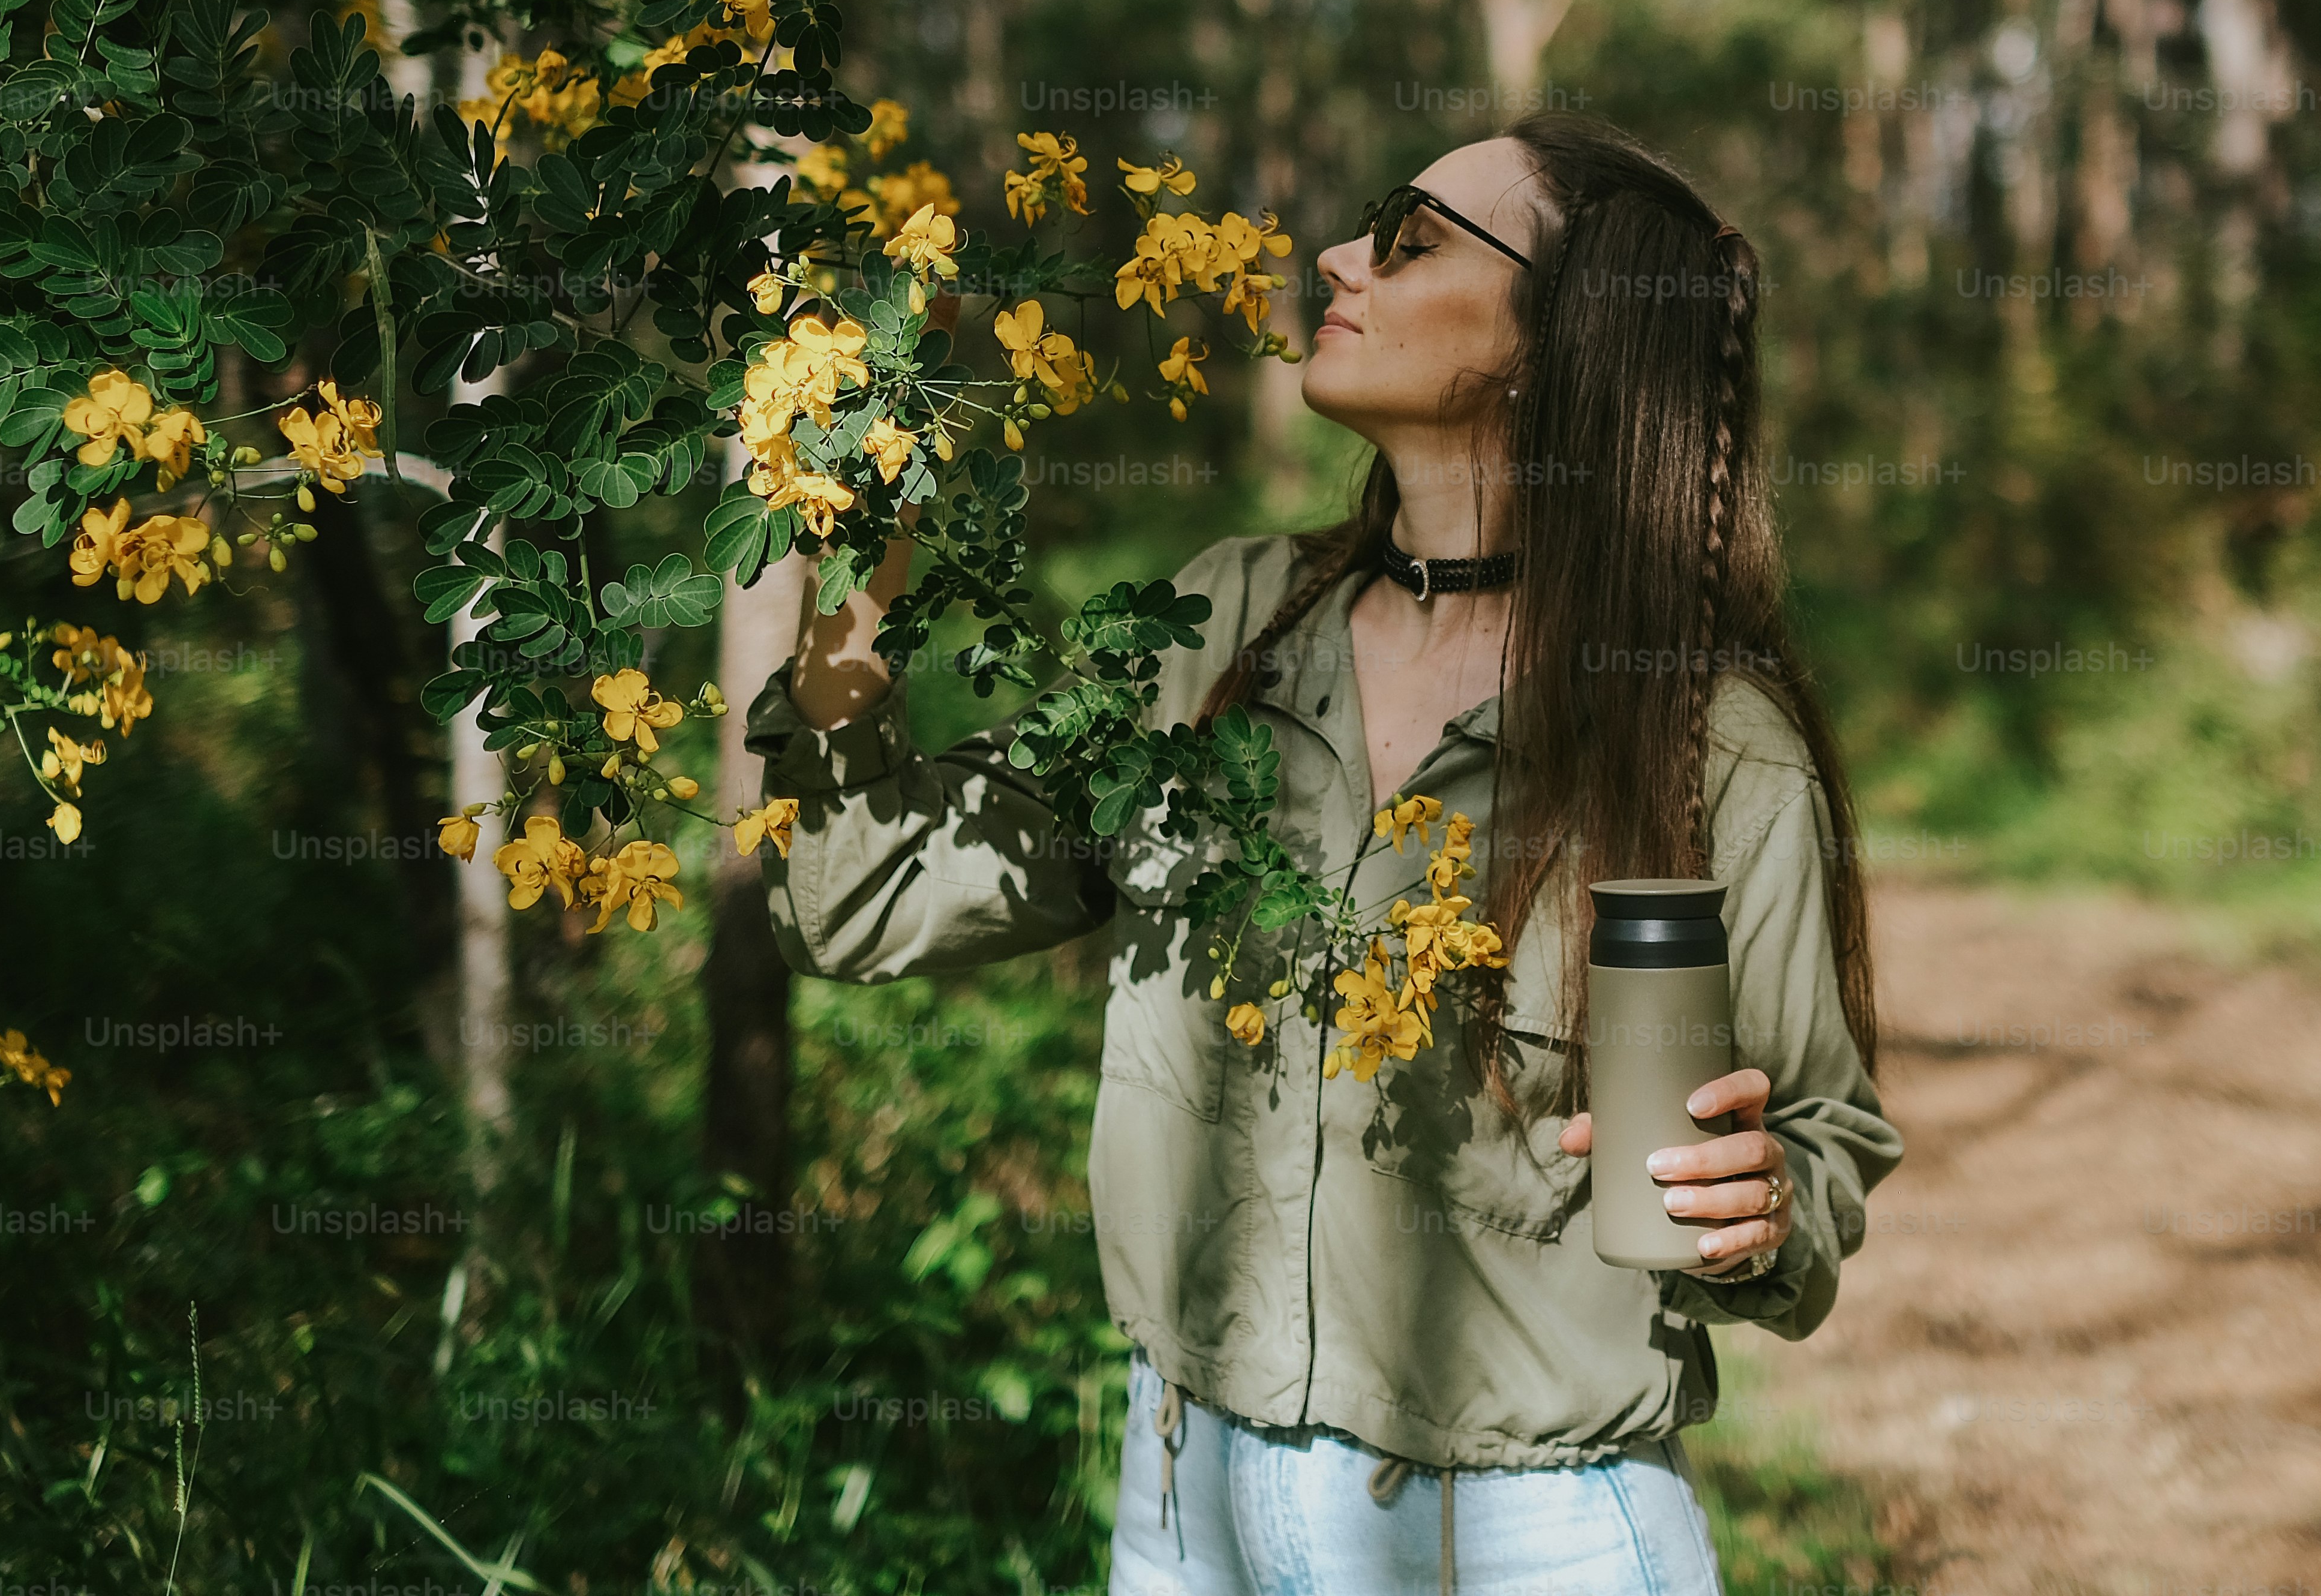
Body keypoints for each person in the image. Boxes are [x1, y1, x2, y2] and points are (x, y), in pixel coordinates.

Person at [753, 110, 1898, 1594]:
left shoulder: (1704, 736)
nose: (1337, 257)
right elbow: (855, 898)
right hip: (1184, 1505)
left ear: (1557, 340)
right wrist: (861, 548)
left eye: (1413, 238)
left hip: (1524, 1535)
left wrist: (1761, 1208)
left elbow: (1821, 1140)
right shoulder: (1215, 629)